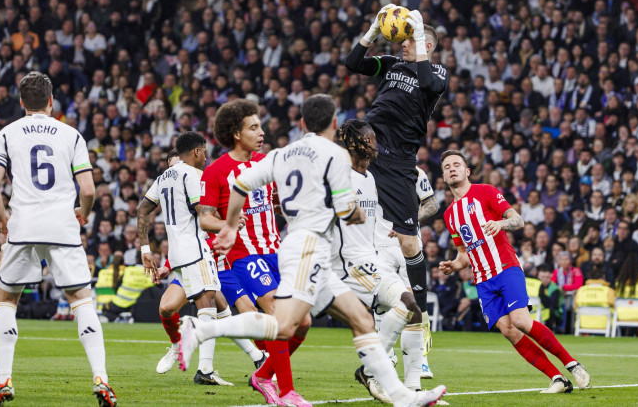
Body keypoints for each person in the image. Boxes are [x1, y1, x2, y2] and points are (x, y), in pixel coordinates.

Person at [177, 94, 447, 407]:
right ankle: (202, 329)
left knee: (359, 319)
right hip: (309, 246)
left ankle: (401, 396)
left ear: (303, 123)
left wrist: (229, 224)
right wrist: (354, 213)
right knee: (284, 324)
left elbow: (240, 187)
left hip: (300, 248)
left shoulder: (280, 154)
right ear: (333, 123)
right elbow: (347, 208)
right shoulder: (333, 155)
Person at [0, 72, 117, 406]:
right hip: (62, 227)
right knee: (82, 301)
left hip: (23, 226)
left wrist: (2, 218)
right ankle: (101, 378)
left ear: (21, 102)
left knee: (6, 302)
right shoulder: (71, 135)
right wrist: (82, 211)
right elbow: (88, 189)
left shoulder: (6, 134)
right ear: (52, 100)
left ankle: (3, 381)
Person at [438, 150, 589, 393]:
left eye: (457, 164)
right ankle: (557, 379)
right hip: (482, 280)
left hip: (505, 267)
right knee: (508, 330)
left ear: (467, 171)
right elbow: (463, 253)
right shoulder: (449, 215)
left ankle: (572, 363)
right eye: (447, 167)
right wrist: (455, 265)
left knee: (520, 321)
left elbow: (518, 221)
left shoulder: (485, 191)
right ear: (443, 176)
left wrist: (500, 223)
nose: (451, 168)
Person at [344, 5, 449, 349]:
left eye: (410, 39)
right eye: (402, 37)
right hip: (370, 148)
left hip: (401, 162)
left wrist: (418, 33)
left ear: (427, 46)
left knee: (409, 243)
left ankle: (418, 311)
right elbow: (353, 63)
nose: (402, 43)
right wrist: (373, 30)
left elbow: (429, 82)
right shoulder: (391, 65)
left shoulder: (437, 73)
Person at [199, 98, 311, 405]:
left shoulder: (269, 163)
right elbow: (204, 216)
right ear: (236, 133)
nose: (261, 131)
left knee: (302, 322)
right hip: (243, 256)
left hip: (277, 252)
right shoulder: (216, 171)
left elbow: (276, 201)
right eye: (253, 127)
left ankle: (262, 374)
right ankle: (286, 391)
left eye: (259, 125)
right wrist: (225, 222)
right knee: (275, 313)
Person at [331, 119, 427, 402]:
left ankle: (412, 387)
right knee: (408, 303)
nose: (375, 143)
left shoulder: (369, 178)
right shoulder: (339, 176)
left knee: (414, 310)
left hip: (370, 259)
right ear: (354, 142)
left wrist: (391, 231)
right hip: (349, 263)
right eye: (370, 138)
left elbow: (369, 224)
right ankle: (371, 369)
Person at [150, 150, 266, 383]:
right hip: (194, 262)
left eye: (181, 165)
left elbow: (220, 227)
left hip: (221, 263)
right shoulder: (180, 197)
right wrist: (168, 265)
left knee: (243, 312)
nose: (178, 173)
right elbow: (186, 237)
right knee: (167, 308)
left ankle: (263, 359)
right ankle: (180, 347)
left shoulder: (209, 189)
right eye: (172, 168)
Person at [137, 132, 224, 385]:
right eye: (205, 151)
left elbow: (142, 210)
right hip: (196, 250)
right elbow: (204, 216)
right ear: (196, 152)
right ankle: (206, 370)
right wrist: (229, 225)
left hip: (176, 256)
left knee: (194, 304)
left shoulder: (163, 177)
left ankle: (252, 356)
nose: (206, 157)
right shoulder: (195, 175)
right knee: (208, 304)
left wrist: (145, 251)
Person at [374, 165, 439, 378]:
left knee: (414, 303)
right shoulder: (368, 169)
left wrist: (409, 223)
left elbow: (431, 203)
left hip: (409, 244)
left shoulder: (415, 171)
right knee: (381, 301)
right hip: (378, 246)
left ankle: (421, 361)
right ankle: (388, 354)